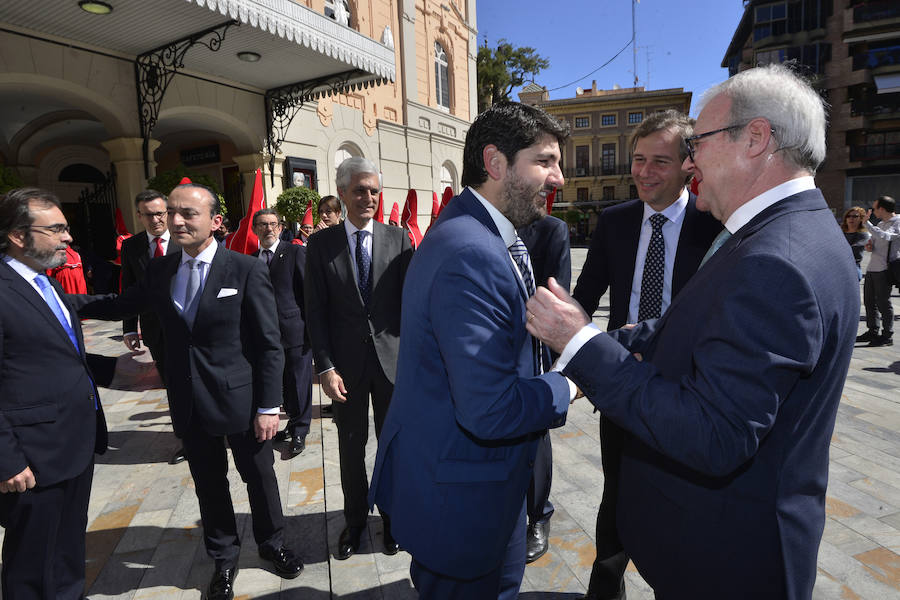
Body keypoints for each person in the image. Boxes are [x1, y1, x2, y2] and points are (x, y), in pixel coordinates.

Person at [526, 64, 859, 599]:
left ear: (756, 139)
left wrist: (581, 343)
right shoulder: (788, 231)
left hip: (727, 559)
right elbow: (698, 322)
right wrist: (613, 343)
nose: (690, 160)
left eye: (698, 141)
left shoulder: (778, 260)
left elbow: (716, 434)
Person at [369, 102, 573, 599]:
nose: (559, 178)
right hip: (461, 501)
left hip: (474, 486)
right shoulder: (471, 252)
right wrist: (572, 381)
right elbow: (489, 409)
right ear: (496, 162)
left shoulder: (476, 232)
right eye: (545, 161)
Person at [75, 184, 303, 600]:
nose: (176, 221)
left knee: (259, 477)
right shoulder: (161, 270)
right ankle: (224, 557)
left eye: (188, 214)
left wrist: (270, 405)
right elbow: (123, 303)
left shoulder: (245, 270)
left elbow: (270, 345)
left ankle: (273, 544)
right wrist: (64, 300)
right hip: (188, 401)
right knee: (208, 484)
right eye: (173, 213)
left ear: (216, 222)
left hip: (243, 402)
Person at [571, 109, 721, 600]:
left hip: (687, 389)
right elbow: (585, 296)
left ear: (687, 166)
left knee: (679, 499)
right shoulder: (614, 221)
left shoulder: (712, 225)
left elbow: (713, 313)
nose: (643, 171)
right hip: (620, 383)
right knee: (617, 491)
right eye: (638, 159)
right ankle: (605, 586)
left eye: (660, 161)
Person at [0, 187, 108, 600]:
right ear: (18, 235)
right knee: (33, 569)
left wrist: (121, 372)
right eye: (57, 229)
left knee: (65, 557)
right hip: (30, 461)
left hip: (73, 447)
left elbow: (59, 355)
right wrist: (6, 458)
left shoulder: (44, 285)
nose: (68, 238)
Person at [304, 157, 413, 560]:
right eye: (360, 190)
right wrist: (326, 367)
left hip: (392, 366)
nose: (368, 197)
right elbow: (315, 312)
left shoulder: (399, 239)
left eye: (373, 191)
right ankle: (354, 522)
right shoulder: (320, 245)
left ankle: (393, 519)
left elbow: (410, 306)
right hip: (344, 370)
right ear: (343, 193)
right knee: (352, 448)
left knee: (393, 447)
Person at [517, 214, 571, 564]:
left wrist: (559, 359)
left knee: (535, 439)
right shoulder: (485, 225)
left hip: (533, 349)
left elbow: (557, 295)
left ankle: (538, 517)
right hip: (489, 354)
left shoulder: (552, 230)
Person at [119, 190, 186, 464]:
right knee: (173, 384)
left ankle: (213, 431)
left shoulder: (186, 241)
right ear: (139, 216)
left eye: (161, 213)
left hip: (189, 328)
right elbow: (130, 287)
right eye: (149, 214)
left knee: (197, 380)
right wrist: (128, 327)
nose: (156, 219)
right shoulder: (132, 247)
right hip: (155, 330)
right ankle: (186, 438)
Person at [251, 208, 312, 457]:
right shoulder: (251, 258)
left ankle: (300, 430)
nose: (268, 228)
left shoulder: (295, 252)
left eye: (272, 224)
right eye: (262, 224)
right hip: (265, 335)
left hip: (294, 331)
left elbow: (308, 293)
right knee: (282, 383)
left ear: (280, 227)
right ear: (255, 229)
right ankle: (291, 422)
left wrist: (312, 331)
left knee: (299, 383)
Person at [858, 195, 900, 347]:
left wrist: (867, 224)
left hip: (885, 269)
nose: (873, 211)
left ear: (882, 209)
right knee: (869, 302)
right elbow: (876, 242)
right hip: (872, 268)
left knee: (883, 303)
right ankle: (872, 331)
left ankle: (887, 335)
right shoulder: (881, 223)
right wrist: (870, 246)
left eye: (874, 208)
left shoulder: (898, 222)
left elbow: (888, 237)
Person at [841, 206, 870, 281]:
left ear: (861, 219)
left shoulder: (863, 234)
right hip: (837, 265)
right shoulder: (840, 232)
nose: (851, 218)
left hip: (852, 267)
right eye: (848, 216)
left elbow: (853, 249)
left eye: (855, 216)